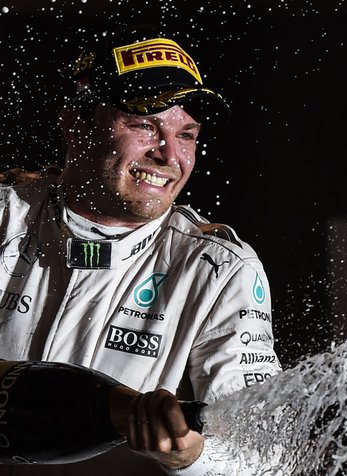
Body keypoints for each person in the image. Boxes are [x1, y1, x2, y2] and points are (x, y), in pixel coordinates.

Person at [0, 25, 280, 475]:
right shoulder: (5, 220)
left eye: (186, 134)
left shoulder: (219, 270)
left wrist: (192, 456)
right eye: (144, 125)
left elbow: (267, 459)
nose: (170, 155)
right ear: (76, 126)